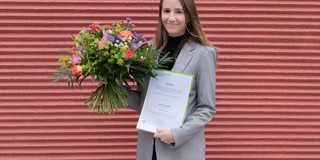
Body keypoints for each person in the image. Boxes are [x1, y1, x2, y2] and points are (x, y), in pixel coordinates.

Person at [123, 0, 217, 159]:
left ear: (189, 16)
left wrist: (177, 134)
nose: (171, 17)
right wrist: (114, 87)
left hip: (182, 149)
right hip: (149, 147)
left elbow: (206, 108)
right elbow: (144, 101)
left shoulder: (203, 53)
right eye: (166, 11)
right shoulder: (146, 50)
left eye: (178, 12)